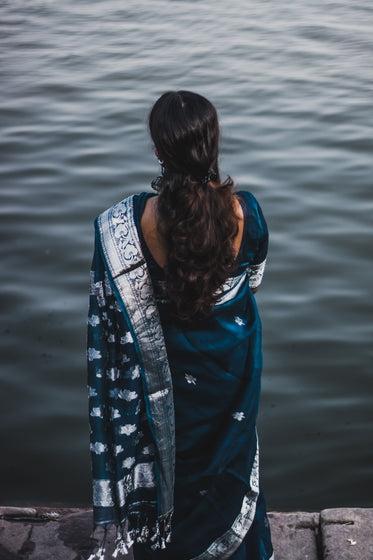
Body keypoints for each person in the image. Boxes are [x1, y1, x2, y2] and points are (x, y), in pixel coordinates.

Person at [87, 91, 274, 560]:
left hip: (163, 381)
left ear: (158, 151)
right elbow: (253, 281)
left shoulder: (128, 222)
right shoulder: (245, 213)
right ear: (213, 146)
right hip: (229, 375)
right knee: (231, 457)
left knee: (172, 459)